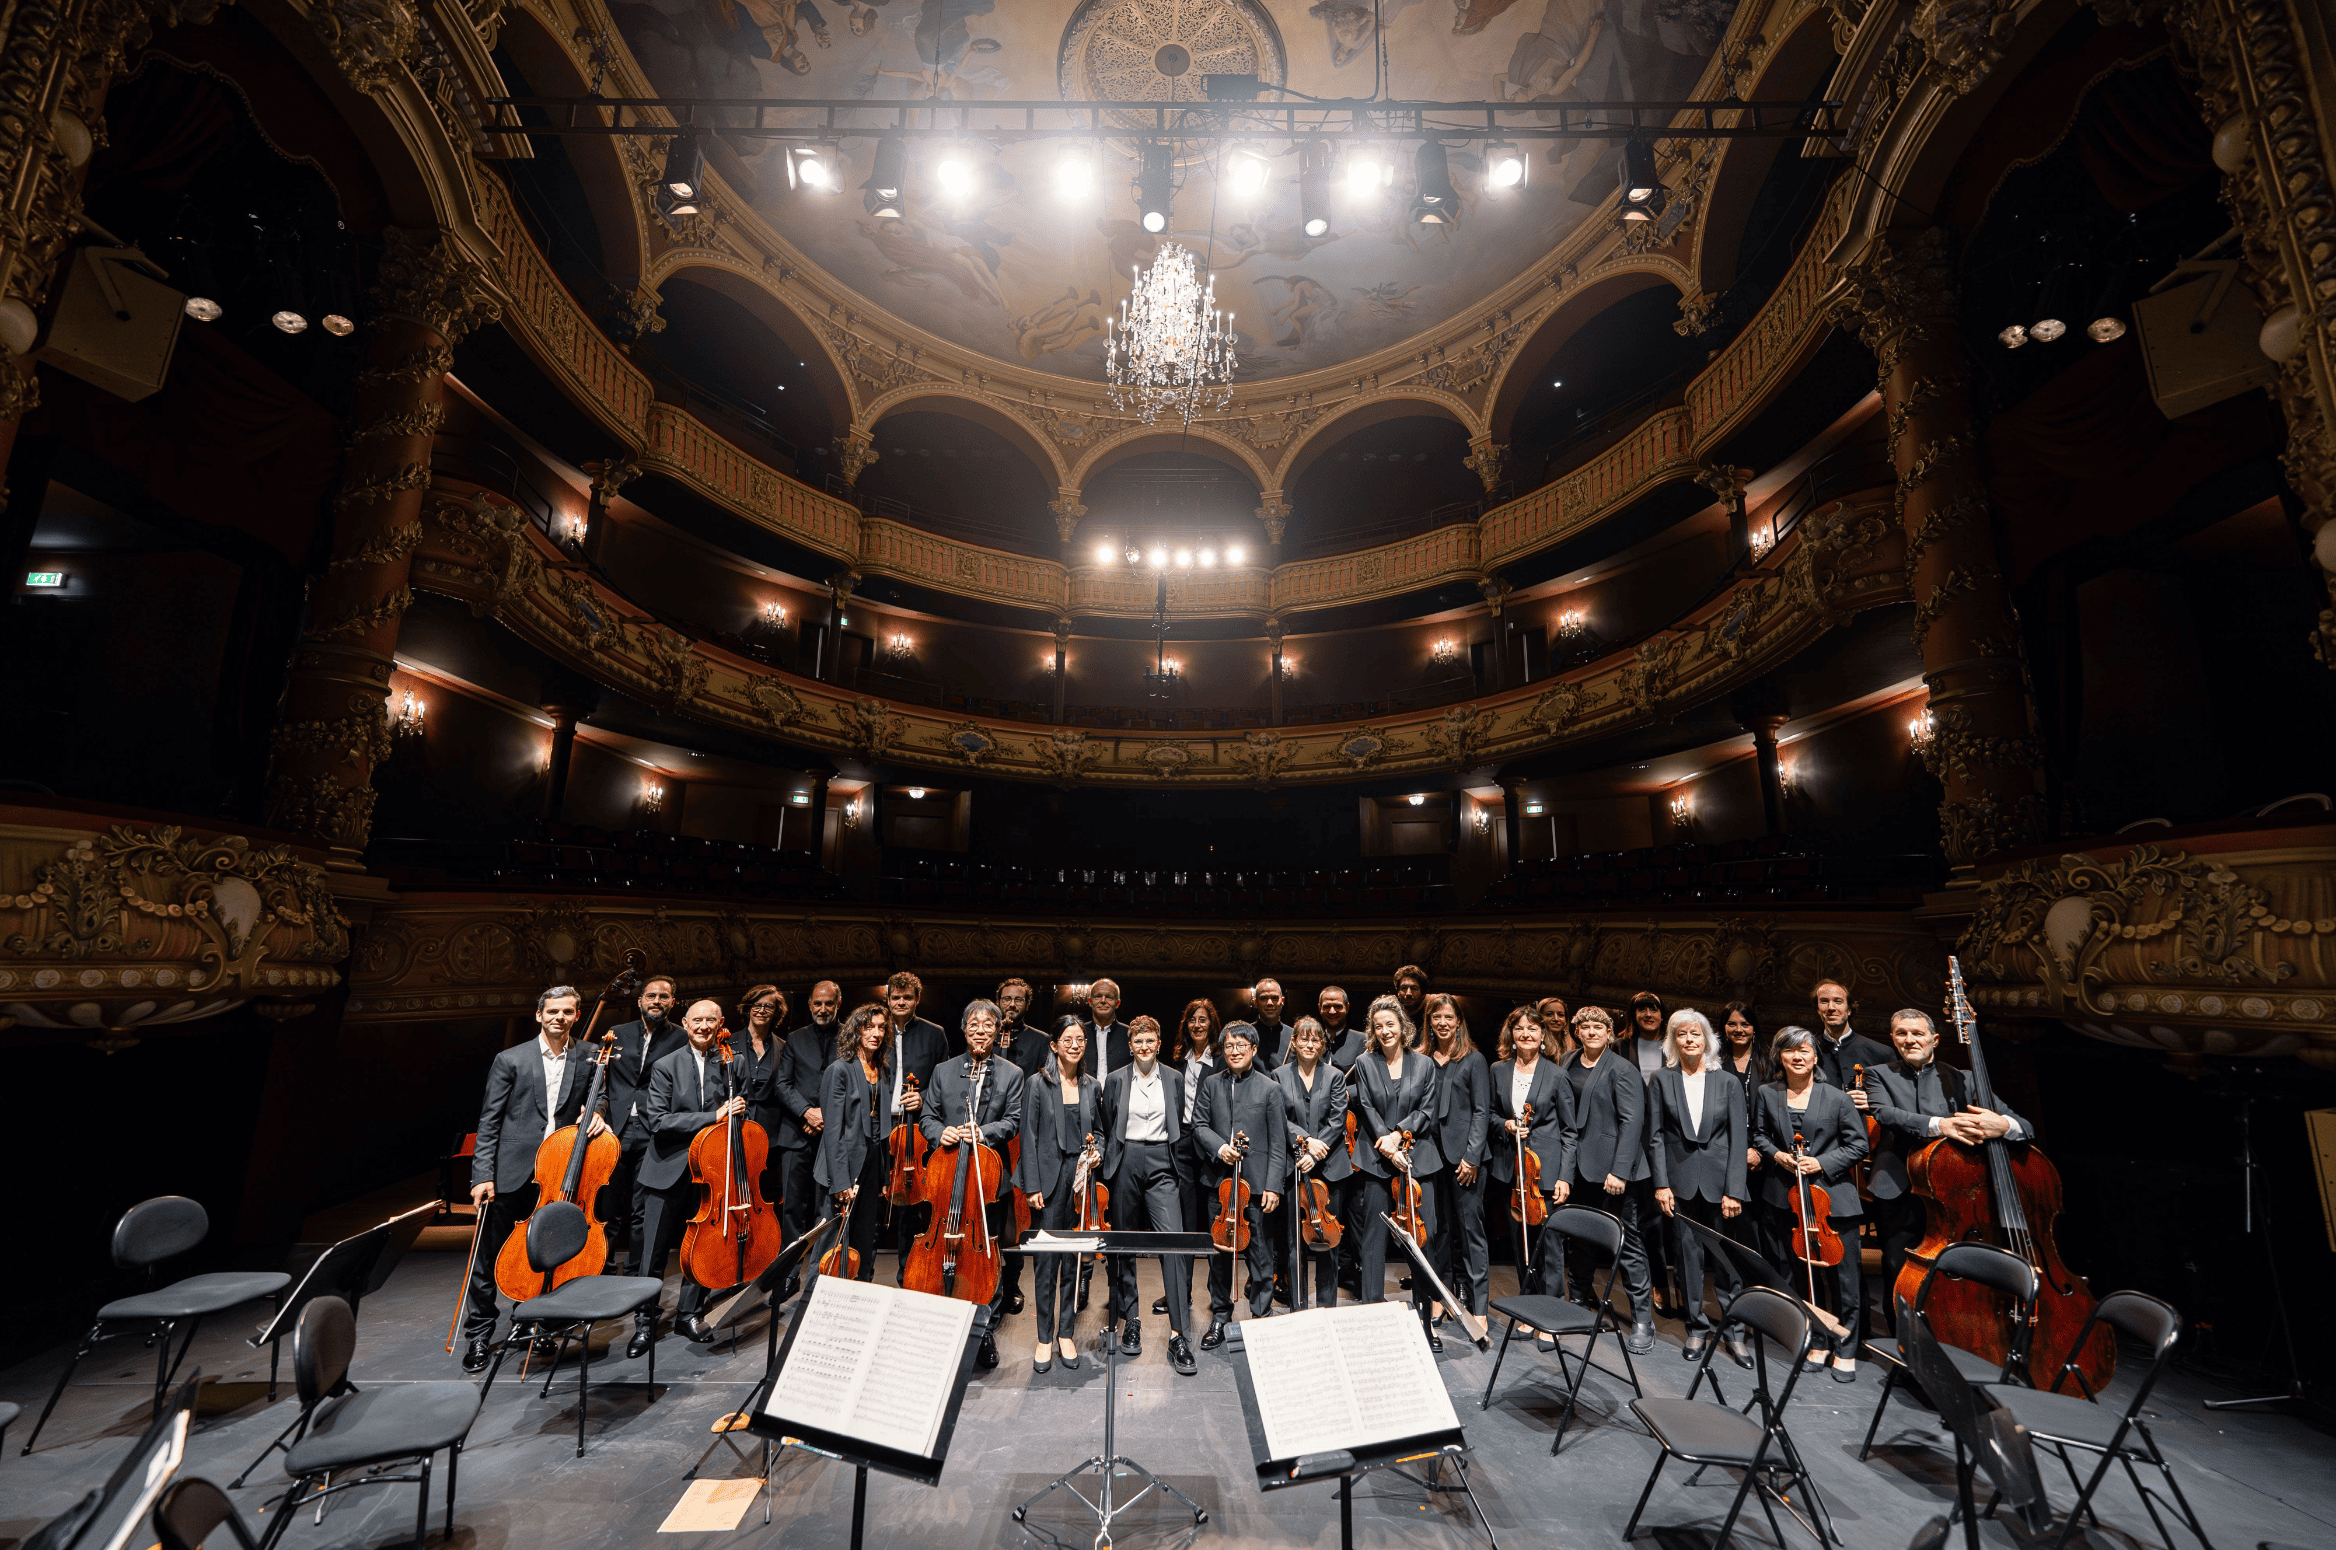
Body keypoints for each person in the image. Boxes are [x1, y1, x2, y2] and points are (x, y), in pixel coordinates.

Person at [460, 984, 610, 1371]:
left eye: (568, 1012)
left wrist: (598, 1112)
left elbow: (601, 1095)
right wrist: (482, 1176)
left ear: (577, 1016)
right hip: (511, 1173)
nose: (560, 1017)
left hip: (560, 1172)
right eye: (553, 1011)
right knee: (488, 1260)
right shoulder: (510, 1059)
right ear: (539, 1015)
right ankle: (478, 1335)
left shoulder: (592, 1055)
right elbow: (489, 1121)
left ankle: (536, 1323)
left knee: (544, 1257)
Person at [1862, 1007, 2034, 1316]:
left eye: (1918, 1033)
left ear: (1935, 1039)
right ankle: (1904, 1349)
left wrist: (2004, 1126)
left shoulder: (1964, 1078)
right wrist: (1943, 1125)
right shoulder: (1878, 1074)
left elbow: (2023, 1125)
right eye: (1902, 1034)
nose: (1910, 1039)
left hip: (1953, 1193)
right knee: (1897, 1269)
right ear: (1893, 1039)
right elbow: (1886, 1114)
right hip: (1899, 1187)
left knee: (1951, 1270)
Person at [1752, 1025, 1870, 1379]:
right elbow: (1759, 1135)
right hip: (1787, 1198)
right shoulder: (1766, 1093)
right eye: (1790, 1051)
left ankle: (1846, 1347)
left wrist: (1821, 1162)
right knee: (1805, 1278)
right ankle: (1818, 1339)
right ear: (1780, 1057)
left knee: (1844, 1279)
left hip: (1833, 1199)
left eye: (1805, 1050)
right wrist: (1777, 1156)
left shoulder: (1836, 1097)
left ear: (1815, 1057)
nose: (1798, 1056)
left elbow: (1858, 1145)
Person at [640, 998, 752, 1345]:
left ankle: (688, 1314)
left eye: (711, 1021)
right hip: (668, 1168)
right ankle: (645, 1322)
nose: (704, 1027)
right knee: (654, 1252)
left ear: (721, 1025)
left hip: (713, 1170)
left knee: (701, 1248)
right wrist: (712, 1117)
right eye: (697, 1020)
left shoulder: (736, 1063)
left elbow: (741, 1112)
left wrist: (738, 1111)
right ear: (686, 1024)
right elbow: (658, 1121)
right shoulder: (665, 1065)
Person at [920, 998, 1023, 1370]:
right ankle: (939, 1326)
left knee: (986, 1256)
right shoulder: (943, 1071)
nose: (981, 1031)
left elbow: (1013, 1119)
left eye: (988, 1026)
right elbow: (927, 1116)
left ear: (998, 1032)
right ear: (964, 1030)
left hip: (987, 1176)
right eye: (974, 1025)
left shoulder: (1012, 1073)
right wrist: (939, 1132)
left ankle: (983, 1330)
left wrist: (985, 1131)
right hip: (947, 1177)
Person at [1647, 1009, 1750, 1365]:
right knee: (1687, 1259)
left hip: (1723, 1186)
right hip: (1679, 1184)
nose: (1689, 1039)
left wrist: (1734, 1189)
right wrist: (1661, 1184)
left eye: (1696, 1033)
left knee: (1726, 1260)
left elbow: (1740, 1139)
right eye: (1681, 1034)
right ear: (1673, 1041)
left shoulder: (1728, 1082)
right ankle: (1696, 1328)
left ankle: (1735, 1331)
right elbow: (1655, 1137)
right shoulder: (1661, 1079)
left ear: (1707, 1039)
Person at [1096, 1015, 1198, 1375]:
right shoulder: (1115, 1079)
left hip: (1162, 1160)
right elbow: (1109, 1124)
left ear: (1158, 1043)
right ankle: (1132, 1318)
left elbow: (1182, 1123)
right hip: (1126, 1160)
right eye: (1137, 1041)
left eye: (1150, 1041)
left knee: (1172, 1241)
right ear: (1130, 1046)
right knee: (1123, 1243)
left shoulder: (1173, 1077)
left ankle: (1178, 1334)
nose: (1144, 1047)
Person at [1560, 1005, 1656, 1354]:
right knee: (1581, 1237)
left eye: (1597, 1026)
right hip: (1578, 1168)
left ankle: (1643, 1319)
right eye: (1584, 1027)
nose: (1591, 1032)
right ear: (1577, 1031)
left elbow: (1633, 1123)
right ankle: (1579, 1302)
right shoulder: (1568, 1061)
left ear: (1608, 1031)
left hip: (1613, 1171)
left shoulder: (1622, 1068)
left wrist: (1619, 1170)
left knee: (1625, 1243)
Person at [1349, 995, 1444, 1331]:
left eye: (1390, 1024)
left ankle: (1425, 1317)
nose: (1385, 1031)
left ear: (1403, 1027)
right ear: (1372, 1032)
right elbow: (1366, 1106)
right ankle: (1372, 1313)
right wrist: (1388, 1144)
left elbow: (1426, 1110)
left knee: (1423, 1236)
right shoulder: (1364, 1062)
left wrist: (1400, 1134)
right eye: (1379, 1026)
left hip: (1417, 1158)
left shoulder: (1425, 1064)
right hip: (1377, 1158)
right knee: (1373, 1237)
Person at [1192, 1023, 1288, 1342]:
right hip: (1220, 1185)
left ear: (1253, 1050)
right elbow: (1199, 1124)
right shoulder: (1210, 1084)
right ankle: (1221, 1315)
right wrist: (1220, 1147)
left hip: (1258, 1186)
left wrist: (1274, 1185)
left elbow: (1278, 1141)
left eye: (1241, 1046)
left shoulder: (1270, 1087)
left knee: (1261, 1254)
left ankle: (1261, 1316)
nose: (1235, 1051)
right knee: (1219, 1252)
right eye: (1230, 1046)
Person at [1017, 1018, 1101, 1372]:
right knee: (1047, 1262)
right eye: (1068, 1039)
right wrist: (1032, 1185)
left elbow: (1100, 1131)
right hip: (1049, 1180)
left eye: (1081, 1039)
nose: (1075, 1044)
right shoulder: (1037, 1083)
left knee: (1074, 1258)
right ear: (1054, 1044)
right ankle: (1043, 1337)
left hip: (1079, 1180)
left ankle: (1066, 1331)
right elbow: (1028, 1137)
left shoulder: (1091, 1085)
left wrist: (1100, 1152)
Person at [1486, 1005, 1572, 1306]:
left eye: (1533, 1029)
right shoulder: (1498, 1070)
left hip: (1545, 1171)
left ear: (1543, 1035)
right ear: (1511, 1035)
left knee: (1550, 1244)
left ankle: (1553, 1309)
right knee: (1522, 1243)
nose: (1526, 1034)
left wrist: (1564, 1176)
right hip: (1512, 1170)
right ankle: (1529, 1305)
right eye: (1520, 1028)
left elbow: (1569, 1131)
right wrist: (1506, 1124)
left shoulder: (1557, 1074)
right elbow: (1491, 1115)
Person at [602, 974, 682, 1273]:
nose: (657, 1001)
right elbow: (602, 1079)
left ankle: (635, 1268)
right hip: (615, 1128)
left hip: (653, 1130)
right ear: (640, 1001)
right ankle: (604, 1264)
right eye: (651, 996)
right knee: (607, 1206)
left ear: (672, 1003)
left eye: (663, 997)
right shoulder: (616, 1032)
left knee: (641, 1208)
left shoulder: (681, 1037)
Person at [1274, 1016, 1352, 1309]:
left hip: (1330, 1166)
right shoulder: (1278, 1075)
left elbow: (1337, 1118)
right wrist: (1306, 1142)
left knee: (1329, 1239)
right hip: (1296, 1165)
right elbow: (1280, 1118)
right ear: (1293, 1043)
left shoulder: (1334, 1075)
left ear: (1322, 1045)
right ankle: (1298, 1308)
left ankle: (1327, 1309)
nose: (1309, 1044)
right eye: (1303, 1039)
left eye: (1315, 1039)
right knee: (1295, 1241)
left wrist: (1316, 1150)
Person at [1423, 993, 1490, 1322]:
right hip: (1431, 1157)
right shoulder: (1422, 1058)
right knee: (1439, 1232)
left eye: (1449, 1017)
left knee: (1470, 1233)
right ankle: (1441, 1297)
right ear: (1430, 1022)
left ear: (1459, 1021)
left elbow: (1482, 1111)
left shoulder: (1474, 1060)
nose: (1443, 1023)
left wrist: (1472, 1157)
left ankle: (1479, 1308)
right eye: (1437, 1017)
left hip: (1466, 1160)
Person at [772, 980, 841, 1296]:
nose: (822, 1009)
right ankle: (788, 1273)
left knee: (826, 1209)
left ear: (838, 1004)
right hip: (796, 1133)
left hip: (834, 1137)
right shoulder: (795, 1039)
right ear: (810, 1005)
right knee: (792, 1210)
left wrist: (825, 1116)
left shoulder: (850, 1037)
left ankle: (822, 1275)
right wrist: (808, 1113)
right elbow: (782, 1085)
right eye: (817, 1003)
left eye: (828, 1003)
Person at [814, 1004, 894, 1282]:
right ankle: (815, 1303)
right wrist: (840, 1182)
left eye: (881, 1027)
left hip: (871, 1162)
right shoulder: (840, 1070)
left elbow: (883, 1126)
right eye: (868, 1027)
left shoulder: (882, 1068)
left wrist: (883, 1173)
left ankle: (860, 1295)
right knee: (831, 1243)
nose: (876, 1033)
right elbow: (832, 1131)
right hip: (842, 1164)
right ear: (855, 1030)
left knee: (865, 1235)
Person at [882, 971, 944, 1280]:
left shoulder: (935, 1034)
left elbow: (942, 1081)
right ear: (888, 1000)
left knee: (913, 1202)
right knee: (875, 1196)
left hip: (917, 1128)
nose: (901, 1002)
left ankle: (910, 1268)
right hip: (881, 1124)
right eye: (896, 998)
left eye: (908, 997)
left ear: (917, 999)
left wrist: (924, 1099)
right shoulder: (877, 1031)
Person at [1163, 998, 1221, 1319]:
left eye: (1203, 1020)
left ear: (1212, 1024)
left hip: (1211, 1142)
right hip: (1183, 1142)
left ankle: (1217, 1291)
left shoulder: (1223, 1059)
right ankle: (1180, 1292)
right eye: (1192, 1020)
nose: (1197, 1025)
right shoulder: (1177, 1060)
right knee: (1184, 1221)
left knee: (1213, 1219)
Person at [1624, 991, 1678, 1318]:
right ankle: (1641, 1285)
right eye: (1641, 1008)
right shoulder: (1619, 1048)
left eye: (1654, 1008)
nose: (1648, 1013)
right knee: (1635, 1217)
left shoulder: (1673, 1050)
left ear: (1662, 1014)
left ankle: (1663, 1283)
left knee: (1659, 1221)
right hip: (1630, 1141)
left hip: (1666, 1142)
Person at [1716, 1000, 1769, 1262]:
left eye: (1745, 1024)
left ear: (1754, 1028)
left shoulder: (1770, 1061)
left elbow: (1776, 1112)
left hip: (1763, 1154)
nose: (1739, 1029)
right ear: (1723, 1028)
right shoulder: (1712, 1061)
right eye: (1732, 1024)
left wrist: (1759, 1151)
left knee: (1759, 1226)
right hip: (1722, 1150)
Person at [736, 983, 790, 1238]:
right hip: (734, 1127)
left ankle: (763, 1243)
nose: (761, 1010)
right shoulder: (727, 1041)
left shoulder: (784, 1046)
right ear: (748, 1008)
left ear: (776, 1012)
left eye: (768, 1006)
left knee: (765, 1191)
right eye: (757, 1005)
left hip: (771, 1132)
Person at [1811, 979, 1892, 1090]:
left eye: (1838, 1001)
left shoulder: (1881, 1053)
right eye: (1824, 1001)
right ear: (1818, 1010)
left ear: (1849, 1009)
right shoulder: (1808, 1050)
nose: (1831, 1007)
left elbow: (1893, 1096)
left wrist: (1872, 1101)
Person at [996, 977, 1054, 1074]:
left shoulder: (1042, 1040)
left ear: (1027, 1005)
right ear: (998, 1002)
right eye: (1007, 999)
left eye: (1018, 1000)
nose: (1012, 1004)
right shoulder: (986, 1037)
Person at [1080, 978, 1134, 1082]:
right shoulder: (1078, 1032)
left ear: (1117, 1003)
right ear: (1090, 1002)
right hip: (1083, 1095)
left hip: (1121, 1096)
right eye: (1098, 996)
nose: (1103, 1001)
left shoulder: (1130, 1034)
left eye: (1109, 997)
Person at [1251, 977, 1294, 1069]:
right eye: (1263, 998)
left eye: (1275, 998)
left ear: (1282, 1001)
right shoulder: (1245, 1035)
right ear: (1255, 1002)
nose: (1269, 1003)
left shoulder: (1294, 1035)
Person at [1392, 965, 1430, 1039]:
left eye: (1414, 988)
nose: (1408, 993)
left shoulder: (1429, 1023)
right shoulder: (1393, 1019)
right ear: (1398, 992)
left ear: (1423, 994)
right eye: (1404, 988)